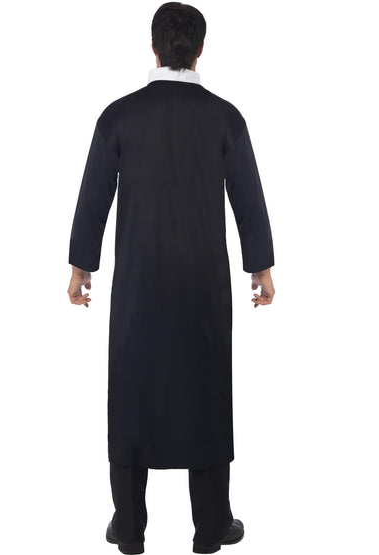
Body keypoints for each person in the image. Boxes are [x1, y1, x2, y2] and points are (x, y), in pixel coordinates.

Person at [67, 2, 275, 553]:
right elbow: (249, 200)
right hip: (203, 284)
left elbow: (93, 199)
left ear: (154, 47)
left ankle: (129, 528)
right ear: (200, 49)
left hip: (138, 281)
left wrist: (81, 267)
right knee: (207, 391)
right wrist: (261, 268)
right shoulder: (225, 117)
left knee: (131, 392)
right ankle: (211, 528)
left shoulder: (118, 116)